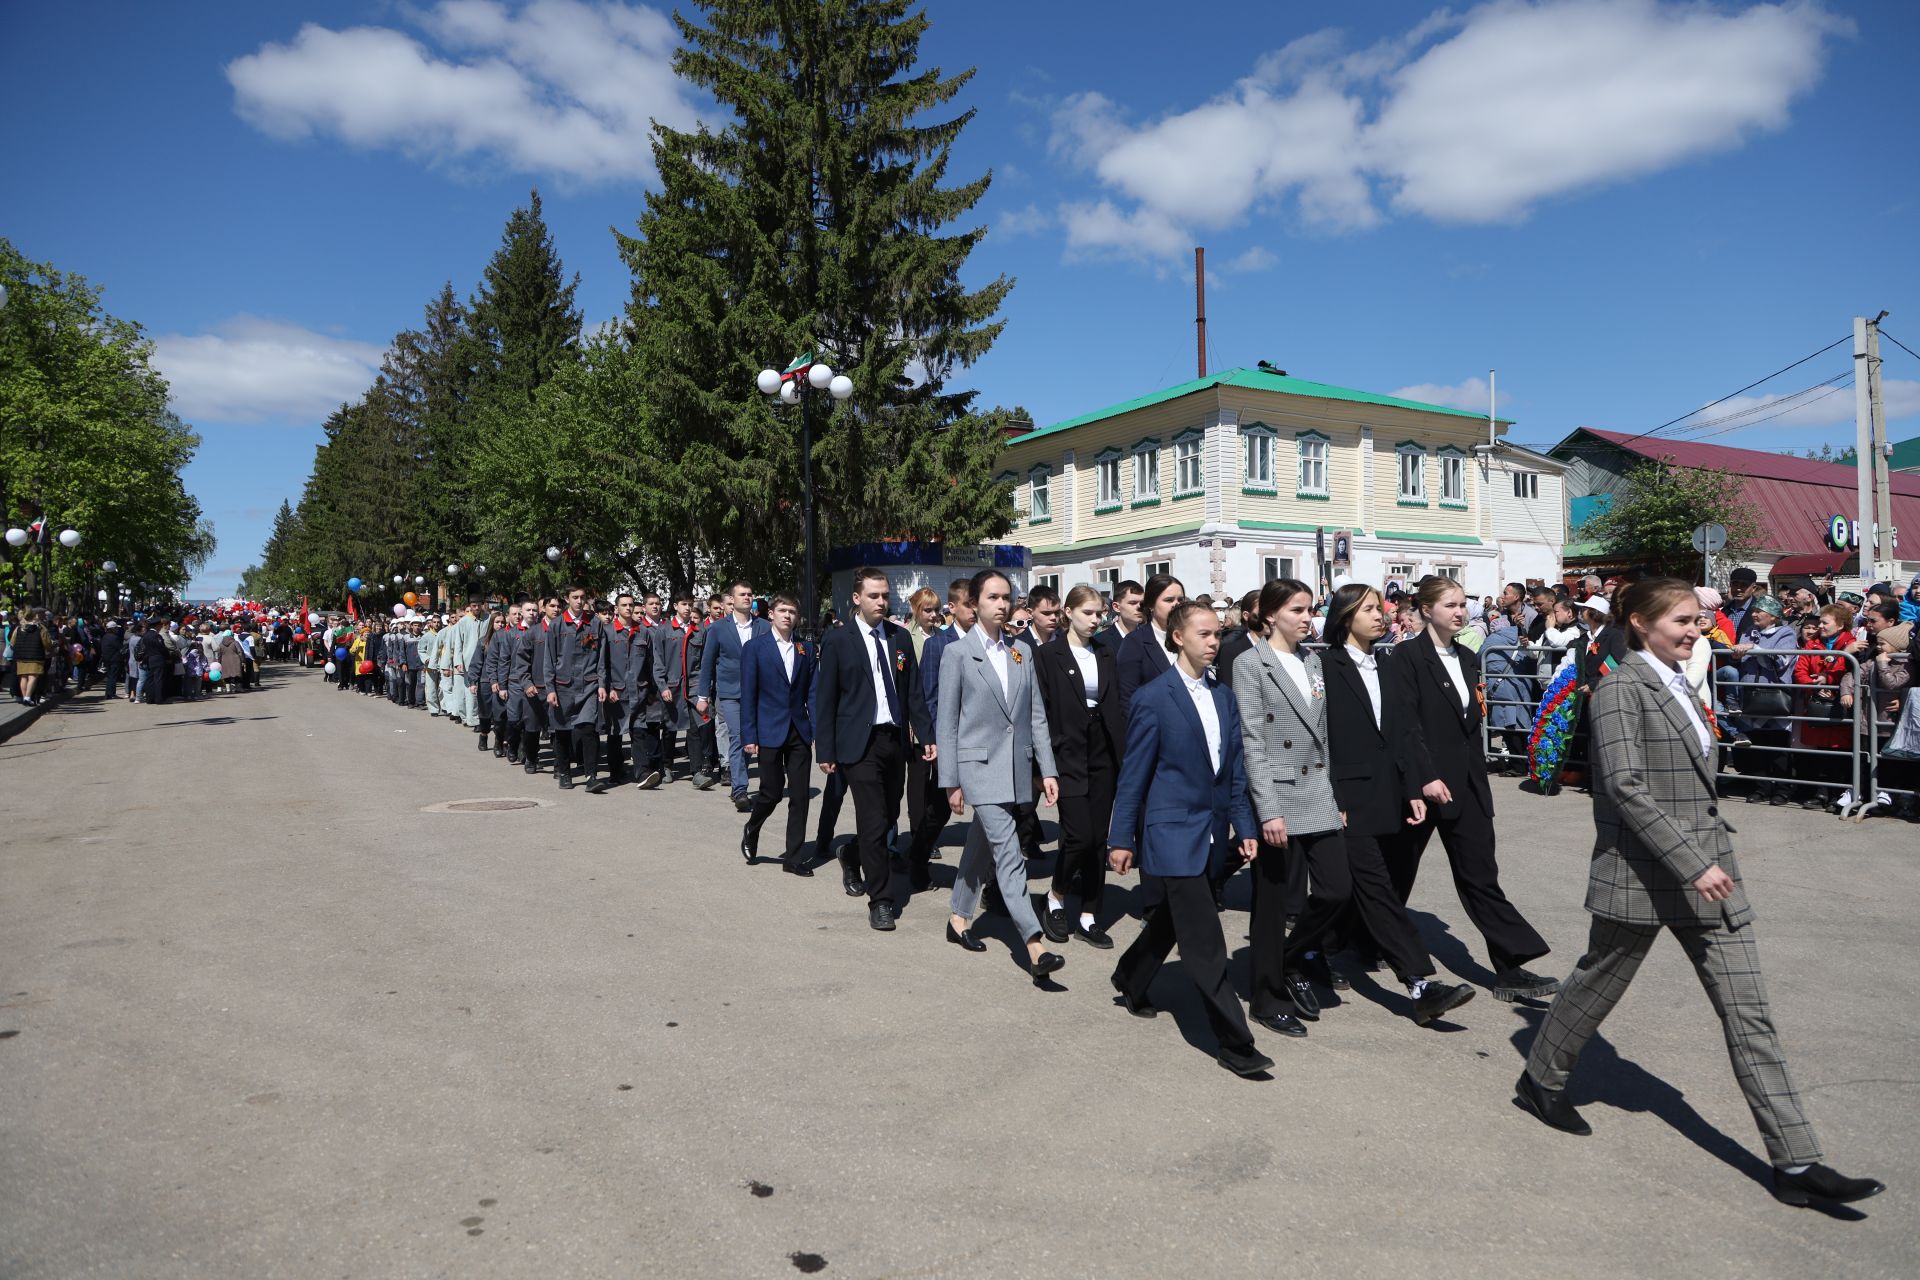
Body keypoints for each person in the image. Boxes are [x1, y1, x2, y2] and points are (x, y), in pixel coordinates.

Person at [1516, 577, 1884, 1209]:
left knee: (1750, 1014)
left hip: (1710, 874)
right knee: (1597, 980)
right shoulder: (1620, 688)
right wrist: (1692, 863)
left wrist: (1703, 858)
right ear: (1639, 623)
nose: (1695, 631)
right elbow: (1626, 789)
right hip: (1645, 872)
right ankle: (1540, 1077)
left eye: (1697, 621)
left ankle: (1796, 1163)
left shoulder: (1678, 679)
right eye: (1681, 622)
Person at [1107, 601, 1272, 1078]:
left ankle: (1131, 976)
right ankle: (1236, 1043)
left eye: (1217, 633)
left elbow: (1234, 772)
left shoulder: (1224, 697)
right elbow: (1134, 776)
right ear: (1178, 638)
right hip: (1171, 832)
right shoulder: (1153, 698)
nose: (1214, 641)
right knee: (1205, 940)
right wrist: (1121, 838)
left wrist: (1244, 828)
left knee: (1173, 922)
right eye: (1203, 634)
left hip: (1214, 832)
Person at [1389, 576, 1559, 1002]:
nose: (1460, 611)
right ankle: (1357, 939)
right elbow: (1405, 727)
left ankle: (1510, 966)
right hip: (1424, 786)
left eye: (1463, 604)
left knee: (1480, 876)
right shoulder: (1404, 658)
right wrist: (1423, 777)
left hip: (1466, 784)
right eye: (1450, 605)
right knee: (1394, 873)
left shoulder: (1467, 656)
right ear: (1426, 610)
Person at [1320, 584, 1477, 1025]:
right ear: (1346, 615)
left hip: (1388, 793)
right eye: (1369, 609)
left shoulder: (1386, 664)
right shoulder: (1325, 666)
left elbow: (1405, 733)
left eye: (1381, 609)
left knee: (1363, 888)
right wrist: (1334, 796)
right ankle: (1420, 983)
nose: (1381, 616)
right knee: (1376, 888)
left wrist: (1414, 788)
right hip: (1347, 797)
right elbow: (1323, 739)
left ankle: (1312, 949)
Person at [1231, 577, 1345, 1039]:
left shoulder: (1313, 661)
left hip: (1317, 790)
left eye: (1310, 610)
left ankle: (1290, 958)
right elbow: (1253, 740)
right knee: (1274, 903)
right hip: (1276, 795)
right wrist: (1268, 809)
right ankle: (1267, 996)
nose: (1307, 618)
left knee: (1338, 889)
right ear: (1271, 614)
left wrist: (1334, 797)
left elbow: (1325, 737)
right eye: (1298, 610)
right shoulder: (1249, 663)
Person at [939, 569, 1064, 982]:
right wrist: (951, 781)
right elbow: (947, 725)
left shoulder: (1021, 652)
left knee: (982, 843)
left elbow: (1037, 718)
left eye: (1006, 596)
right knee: (1009, 851)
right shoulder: (956, 654)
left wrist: (1046, 769)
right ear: (974, 604)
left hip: (1013, 769)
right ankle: (1033, 943)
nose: (1002, 604)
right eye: (993, 597)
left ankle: (958, 917)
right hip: (977, 769)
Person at [814, 567, 932, 930]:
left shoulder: (898, 638)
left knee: (888, 814)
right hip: (858, 743)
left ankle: (852, 851)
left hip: (894, 740)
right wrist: (826, 751)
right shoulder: (839, 639)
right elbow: (827, 698)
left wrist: (926, 735)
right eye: (874, 596)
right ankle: (881, 899)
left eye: (885, 596)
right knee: (873, 817)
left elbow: (913, 692)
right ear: (857, 599)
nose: (882, 602)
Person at [1035, 585, 1123, 949]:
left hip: (1103, 753)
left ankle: (1088, 914)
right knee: (1078, 836)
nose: (1095, 619)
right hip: (1066, 752)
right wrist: (1043, 767)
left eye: (1100, 613)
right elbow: (1039, 711)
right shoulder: (1047, 655)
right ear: (1068, 612)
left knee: (1098, 840)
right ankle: (1055, 897)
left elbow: (1116, 704)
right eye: (1088, 612)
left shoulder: (1105, 653)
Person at [740, 593, 817, 876]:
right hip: (768, 729)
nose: (787, 615)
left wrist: (817, 730)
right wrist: (749, 735)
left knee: (800, 795)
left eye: (792, 611)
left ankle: (793, 858)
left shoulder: (806, 649)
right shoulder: (755, 648)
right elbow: (748, 694)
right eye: (782, 610)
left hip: (798, 730)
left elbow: (813, 693)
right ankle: (753, 826)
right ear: (770, 614)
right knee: (771, 793)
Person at [697, 580, 769, 812]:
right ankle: (740, 789)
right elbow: (707, 663)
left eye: (750, 594)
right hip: (730, 693)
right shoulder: (717, 629)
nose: (747, 598)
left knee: (751, 740)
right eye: (742, 595)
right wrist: (702, 695)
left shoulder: (764, 627)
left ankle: (738, 780)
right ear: (732, 599)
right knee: (738, 737)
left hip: (758, 693)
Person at [541, 585, 619, 792]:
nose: (579, 601)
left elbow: (602, 657)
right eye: (574, 597)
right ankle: (565, 773)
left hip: (589, 685)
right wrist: (550, 689)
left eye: (582, 597)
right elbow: (548, 660)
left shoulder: (594, 623)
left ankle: (591, 776)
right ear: (567, 599)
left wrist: (602, 684)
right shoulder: (557, 625)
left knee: (588, 729)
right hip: (563, 686)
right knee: (563, 731)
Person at [1730, 594, 1797, 804]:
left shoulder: (1786, 633)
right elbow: (1741, 655)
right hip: (1751, 693)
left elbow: (1783, 661)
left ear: (1774, 616)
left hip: (1774, 695)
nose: (1754, 614)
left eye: (1760, 611)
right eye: (1754, 611)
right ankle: (1761, 787)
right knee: (1757, 743)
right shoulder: (1749, 632)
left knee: (1778, 744)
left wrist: (1755, 649)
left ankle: (1782, 790)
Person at [1115, 573, 1184, 722]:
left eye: (1180, 599)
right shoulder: (1135, 643)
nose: (1176, 604)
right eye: (1168, 600)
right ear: (1151, 605)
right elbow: (1128, 699)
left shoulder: (1190, 638)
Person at [1094, 579, 1143, 656]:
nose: (1140, 607)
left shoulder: (1150, 638)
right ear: (1116, 607)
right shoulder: (1100, 642)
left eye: (1142, 603)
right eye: (1133, 603)